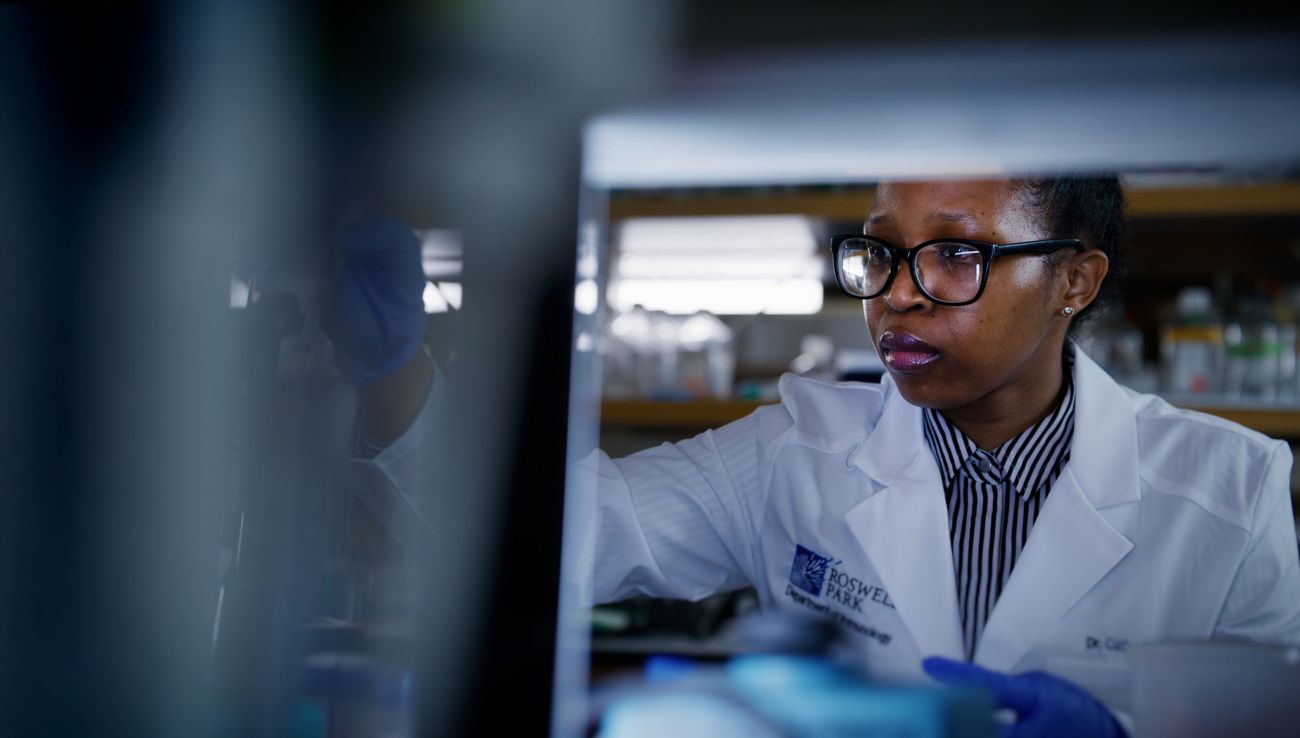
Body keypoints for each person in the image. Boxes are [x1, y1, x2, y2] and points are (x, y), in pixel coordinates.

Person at [330, 178, 1300, 737]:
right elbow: (556, 537)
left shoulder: (1232, 492)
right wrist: (393, 377)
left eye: (956, 255)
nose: (897, 296)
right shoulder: (796, 449)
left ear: (1074, 281)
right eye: (881, 252)